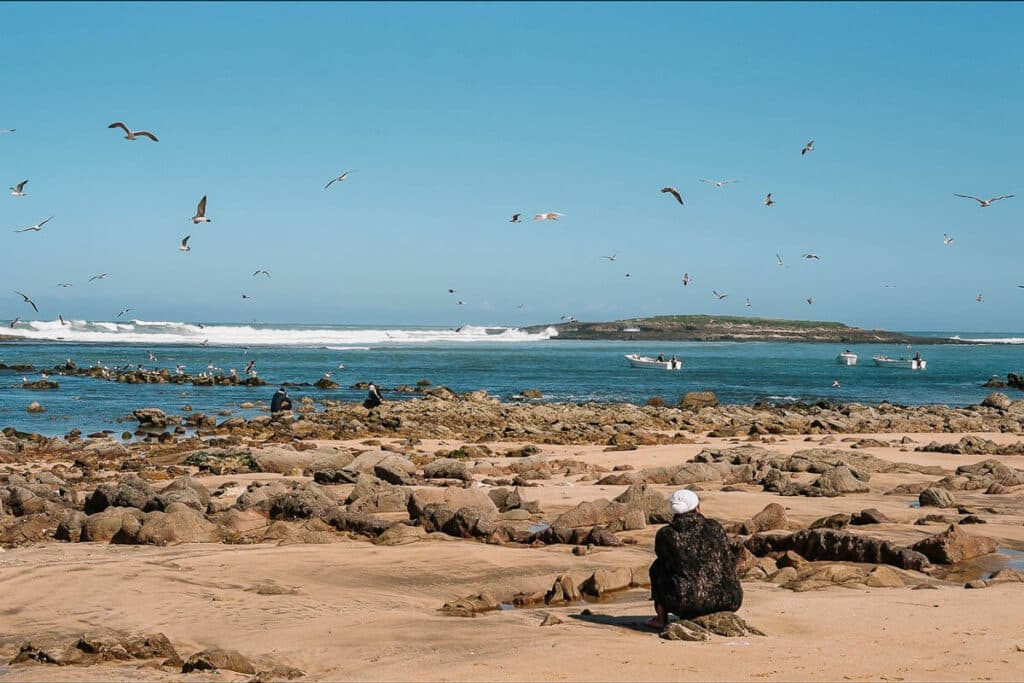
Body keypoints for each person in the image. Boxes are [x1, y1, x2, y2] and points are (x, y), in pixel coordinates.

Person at [646, 490, 743, 629]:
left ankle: (661, 619)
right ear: (697, 508)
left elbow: (663, 558)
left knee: (657, 567)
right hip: (730, 600)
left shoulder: (666, 533)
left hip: (689, 604)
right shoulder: (714, 526)